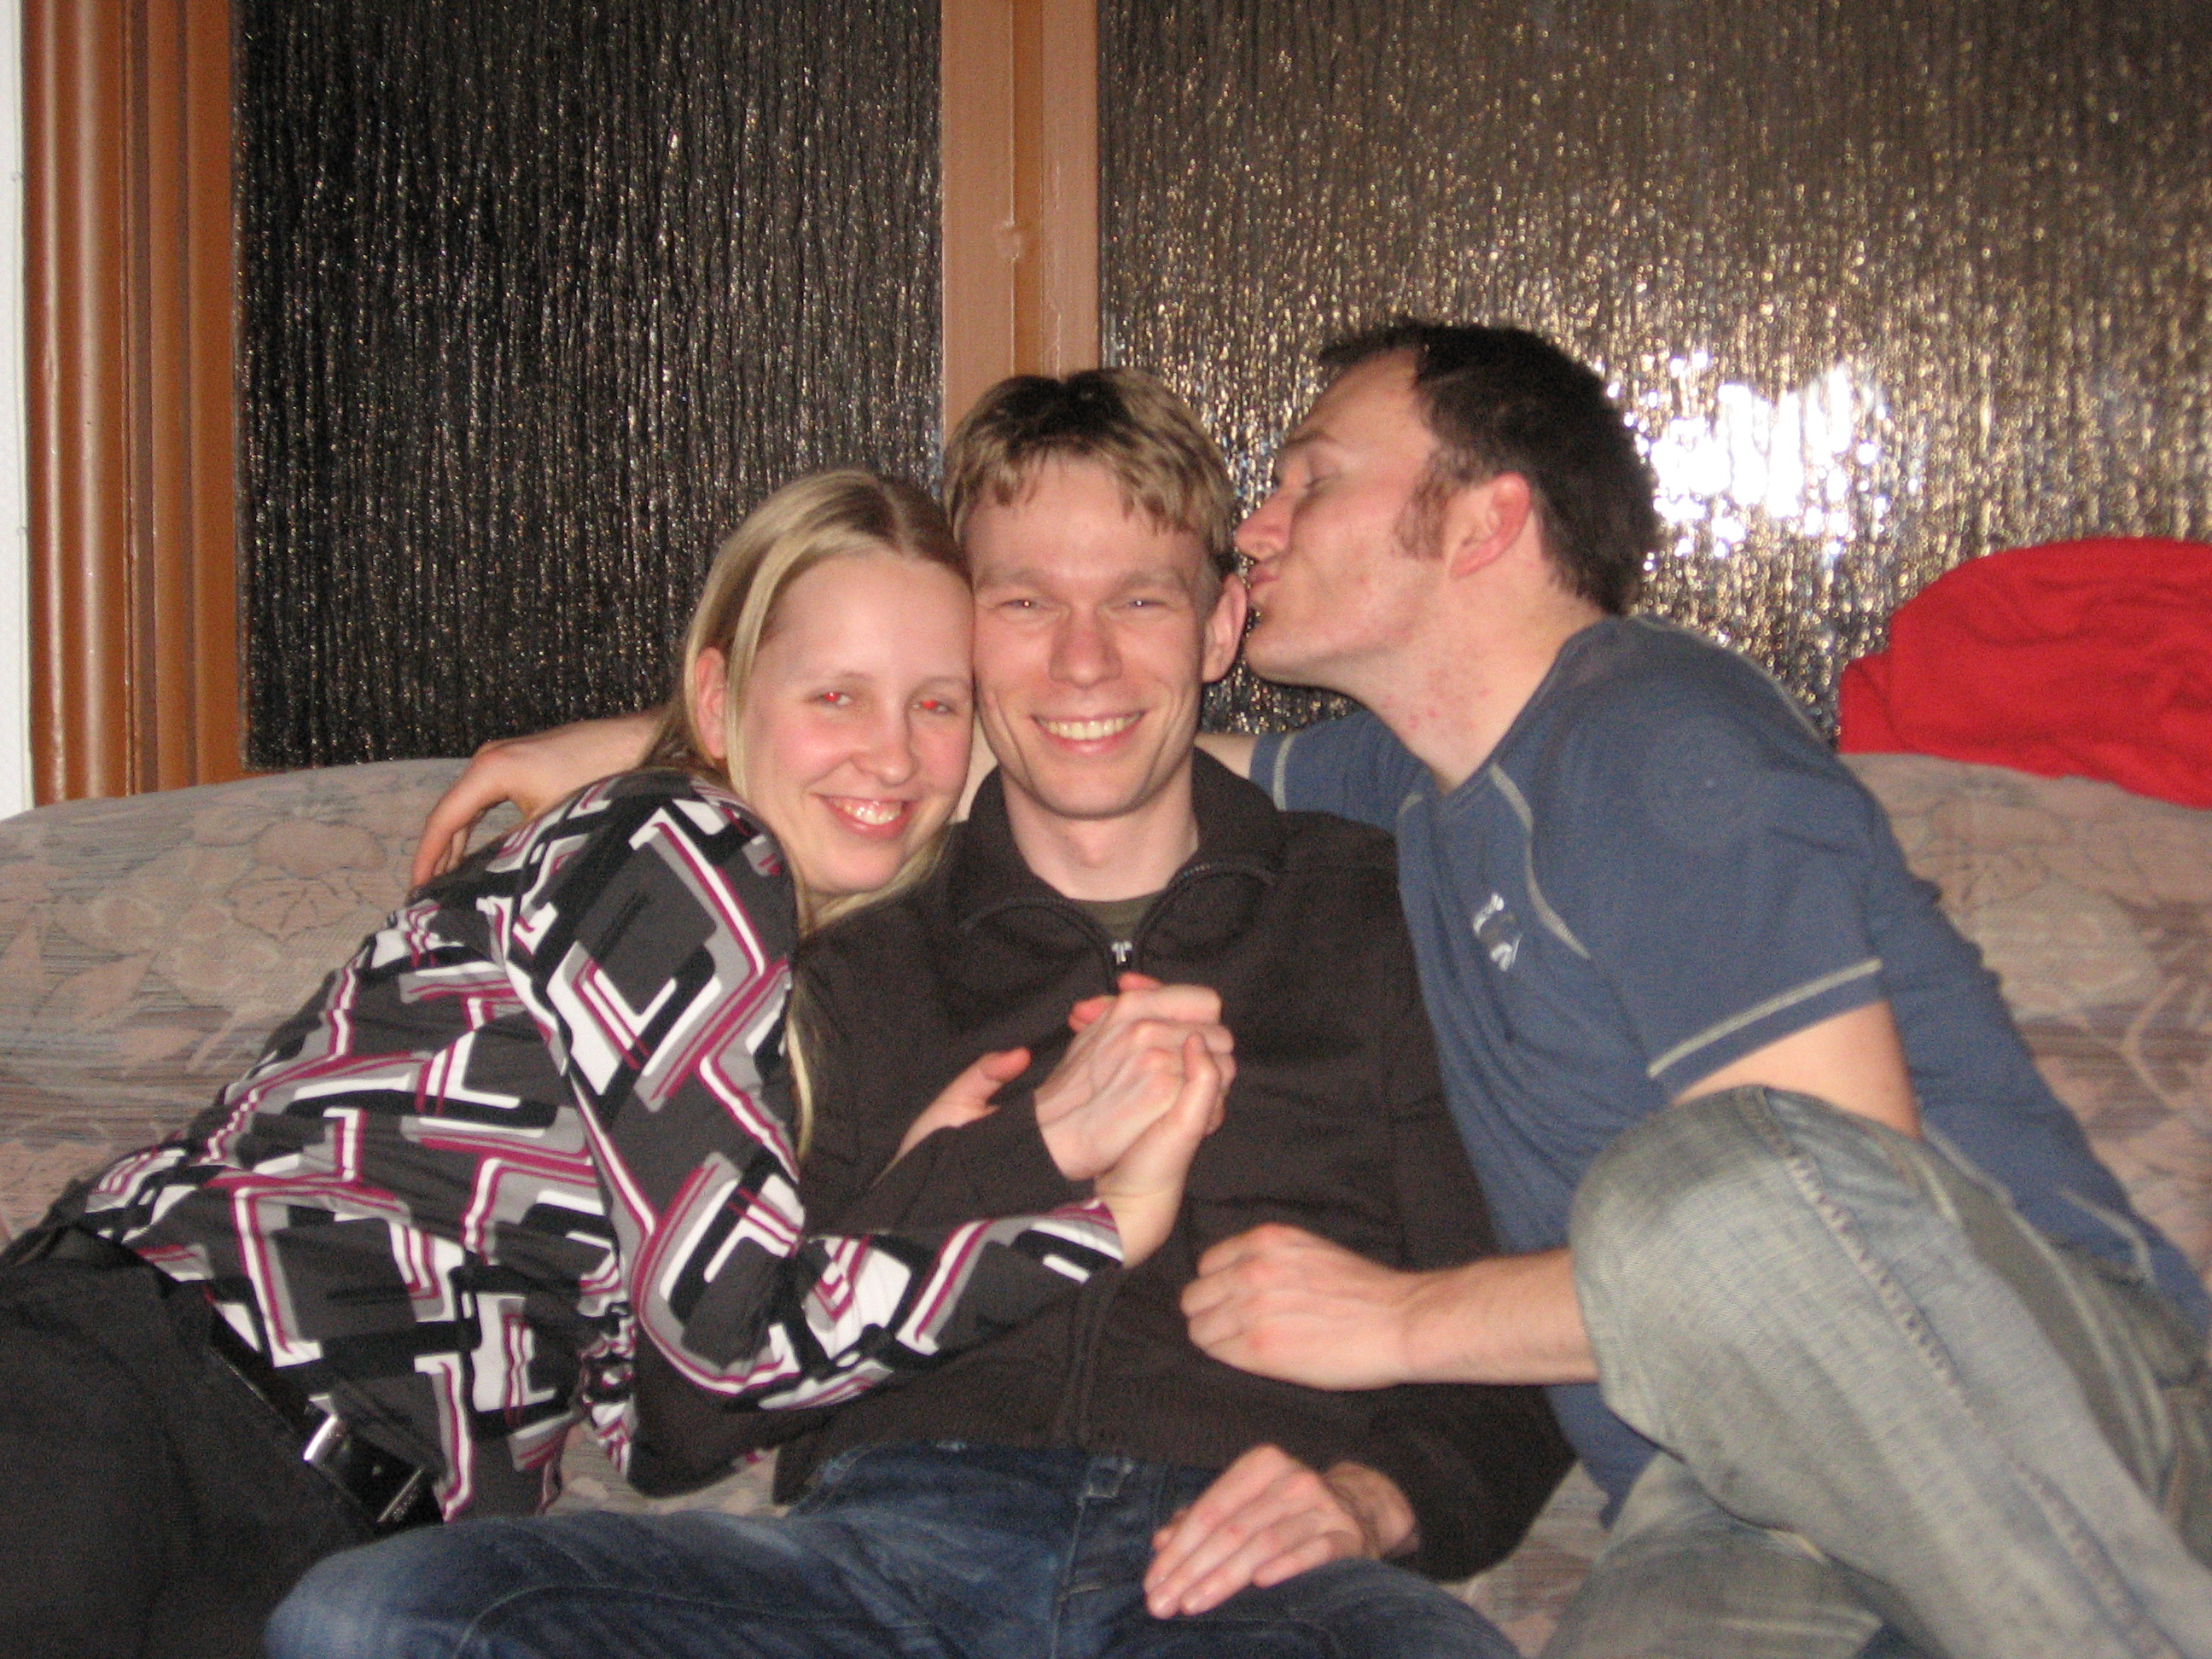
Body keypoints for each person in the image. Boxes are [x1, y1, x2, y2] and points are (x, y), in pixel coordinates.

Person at [276, 368, 1570, 1659]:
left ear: (1221, 623)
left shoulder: (1380, 917)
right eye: (1025, 602)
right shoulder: (836, 959)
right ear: (967, 638)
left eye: (1139, 598)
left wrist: (1370, 1501)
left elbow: (1511, 1334)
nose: (1082, 661)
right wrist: (994, 1161)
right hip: (882, 1560)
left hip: (1250, 1570)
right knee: (377, 1618)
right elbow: (684, 1421)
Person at [0, 470, 1226, 1659]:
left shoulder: (783, 997)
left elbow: (665, 1434)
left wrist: (906, 1198)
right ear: (720, 699)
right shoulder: (680, 844)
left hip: (329, 1525)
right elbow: (728, 1333)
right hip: (149, 1381)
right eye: (837, 696)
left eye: (938, 705)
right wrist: (1099, 1227)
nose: (894, 757)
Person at [1174, 320, 2212, 1657]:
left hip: (2035, 1396)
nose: (1253, 530)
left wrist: (1402, 1320)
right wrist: (938, 710)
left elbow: (1807, 1222)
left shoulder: (1655, 732)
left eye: (1311, 478)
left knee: (1703, 1189)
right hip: (1728, 1494)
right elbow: (1119, 765)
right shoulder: (1416, 782)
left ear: (1486, 522)